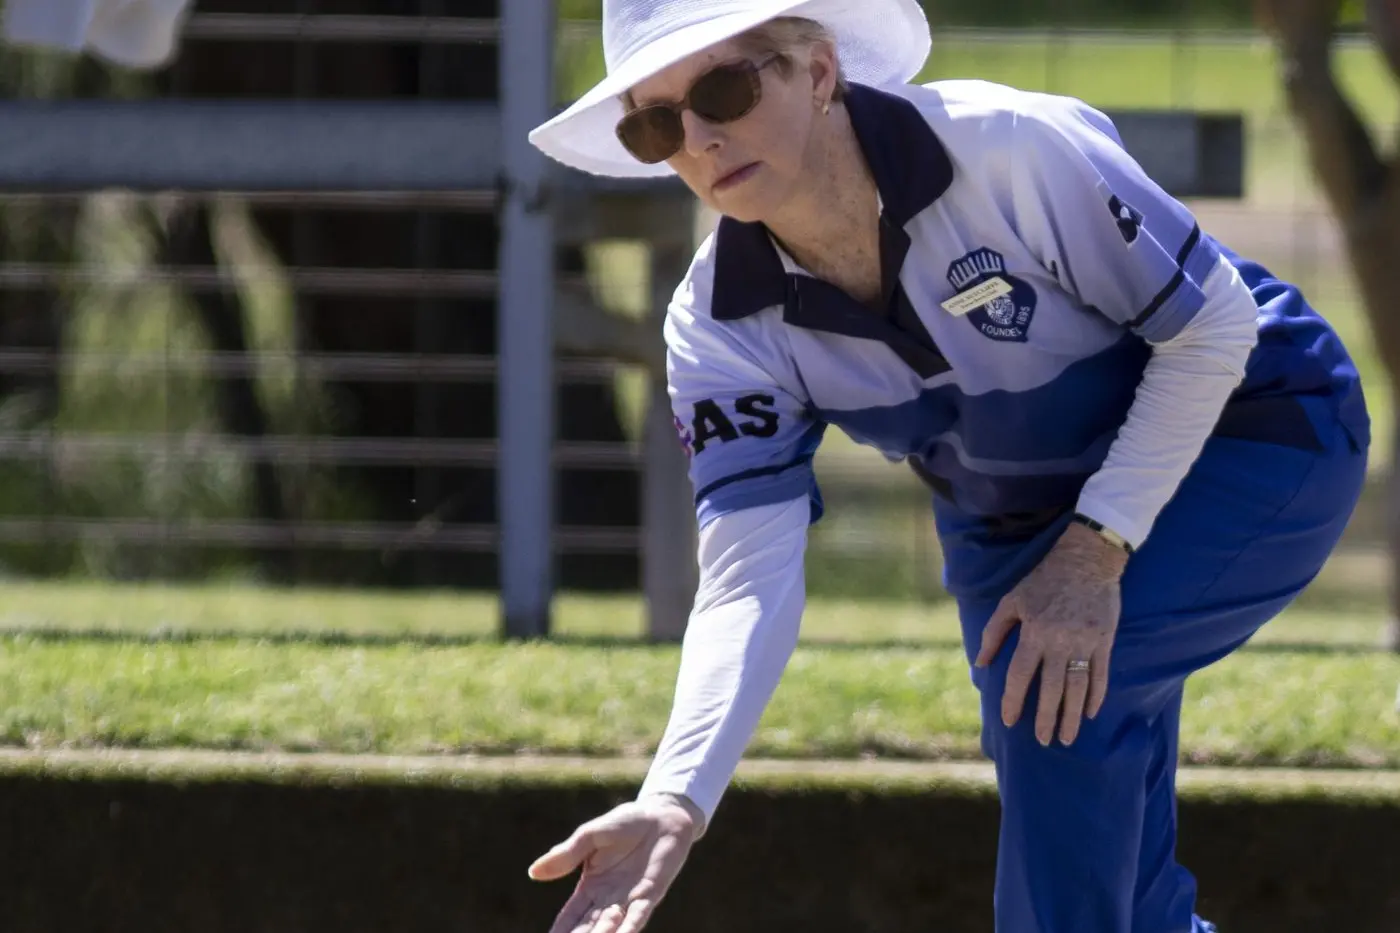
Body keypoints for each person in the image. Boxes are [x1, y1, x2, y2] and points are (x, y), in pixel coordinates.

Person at [525, 1, 1370, 931]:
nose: (698, 140)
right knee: (1078, 799)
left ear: (819, 72)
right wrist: (677, 795)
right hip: (1013, 516)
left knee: (1053, 707)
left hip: (1253, 423)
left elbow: (1212, 328)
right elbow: (745, 580)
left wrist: (1094, 549)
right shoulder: (715, 329)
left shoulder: (1008, 146)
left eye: (723, 90)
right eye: (655, 126)